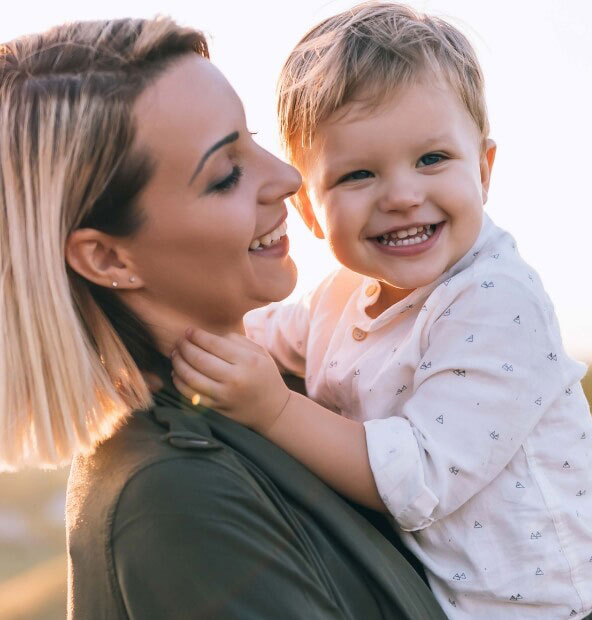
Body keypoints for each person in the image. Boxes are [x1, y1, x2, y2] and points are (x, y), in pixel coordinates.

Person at [0, 16, 447, 620]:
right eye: (225, 174)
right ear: (108, 256)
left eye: (252, 138)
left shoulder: (283, 396)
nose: (288, 179)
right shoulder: (173, 499)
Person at [171, 4, 592, 619]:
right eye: (358, 174)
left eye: (431, 160)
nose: (401, 195)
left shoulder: (496, 302)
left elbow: (418, 477)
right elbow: (254, 337)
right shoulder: (339, 297)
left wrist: (272, 408)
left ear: (483, 168)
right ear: (311, 211)